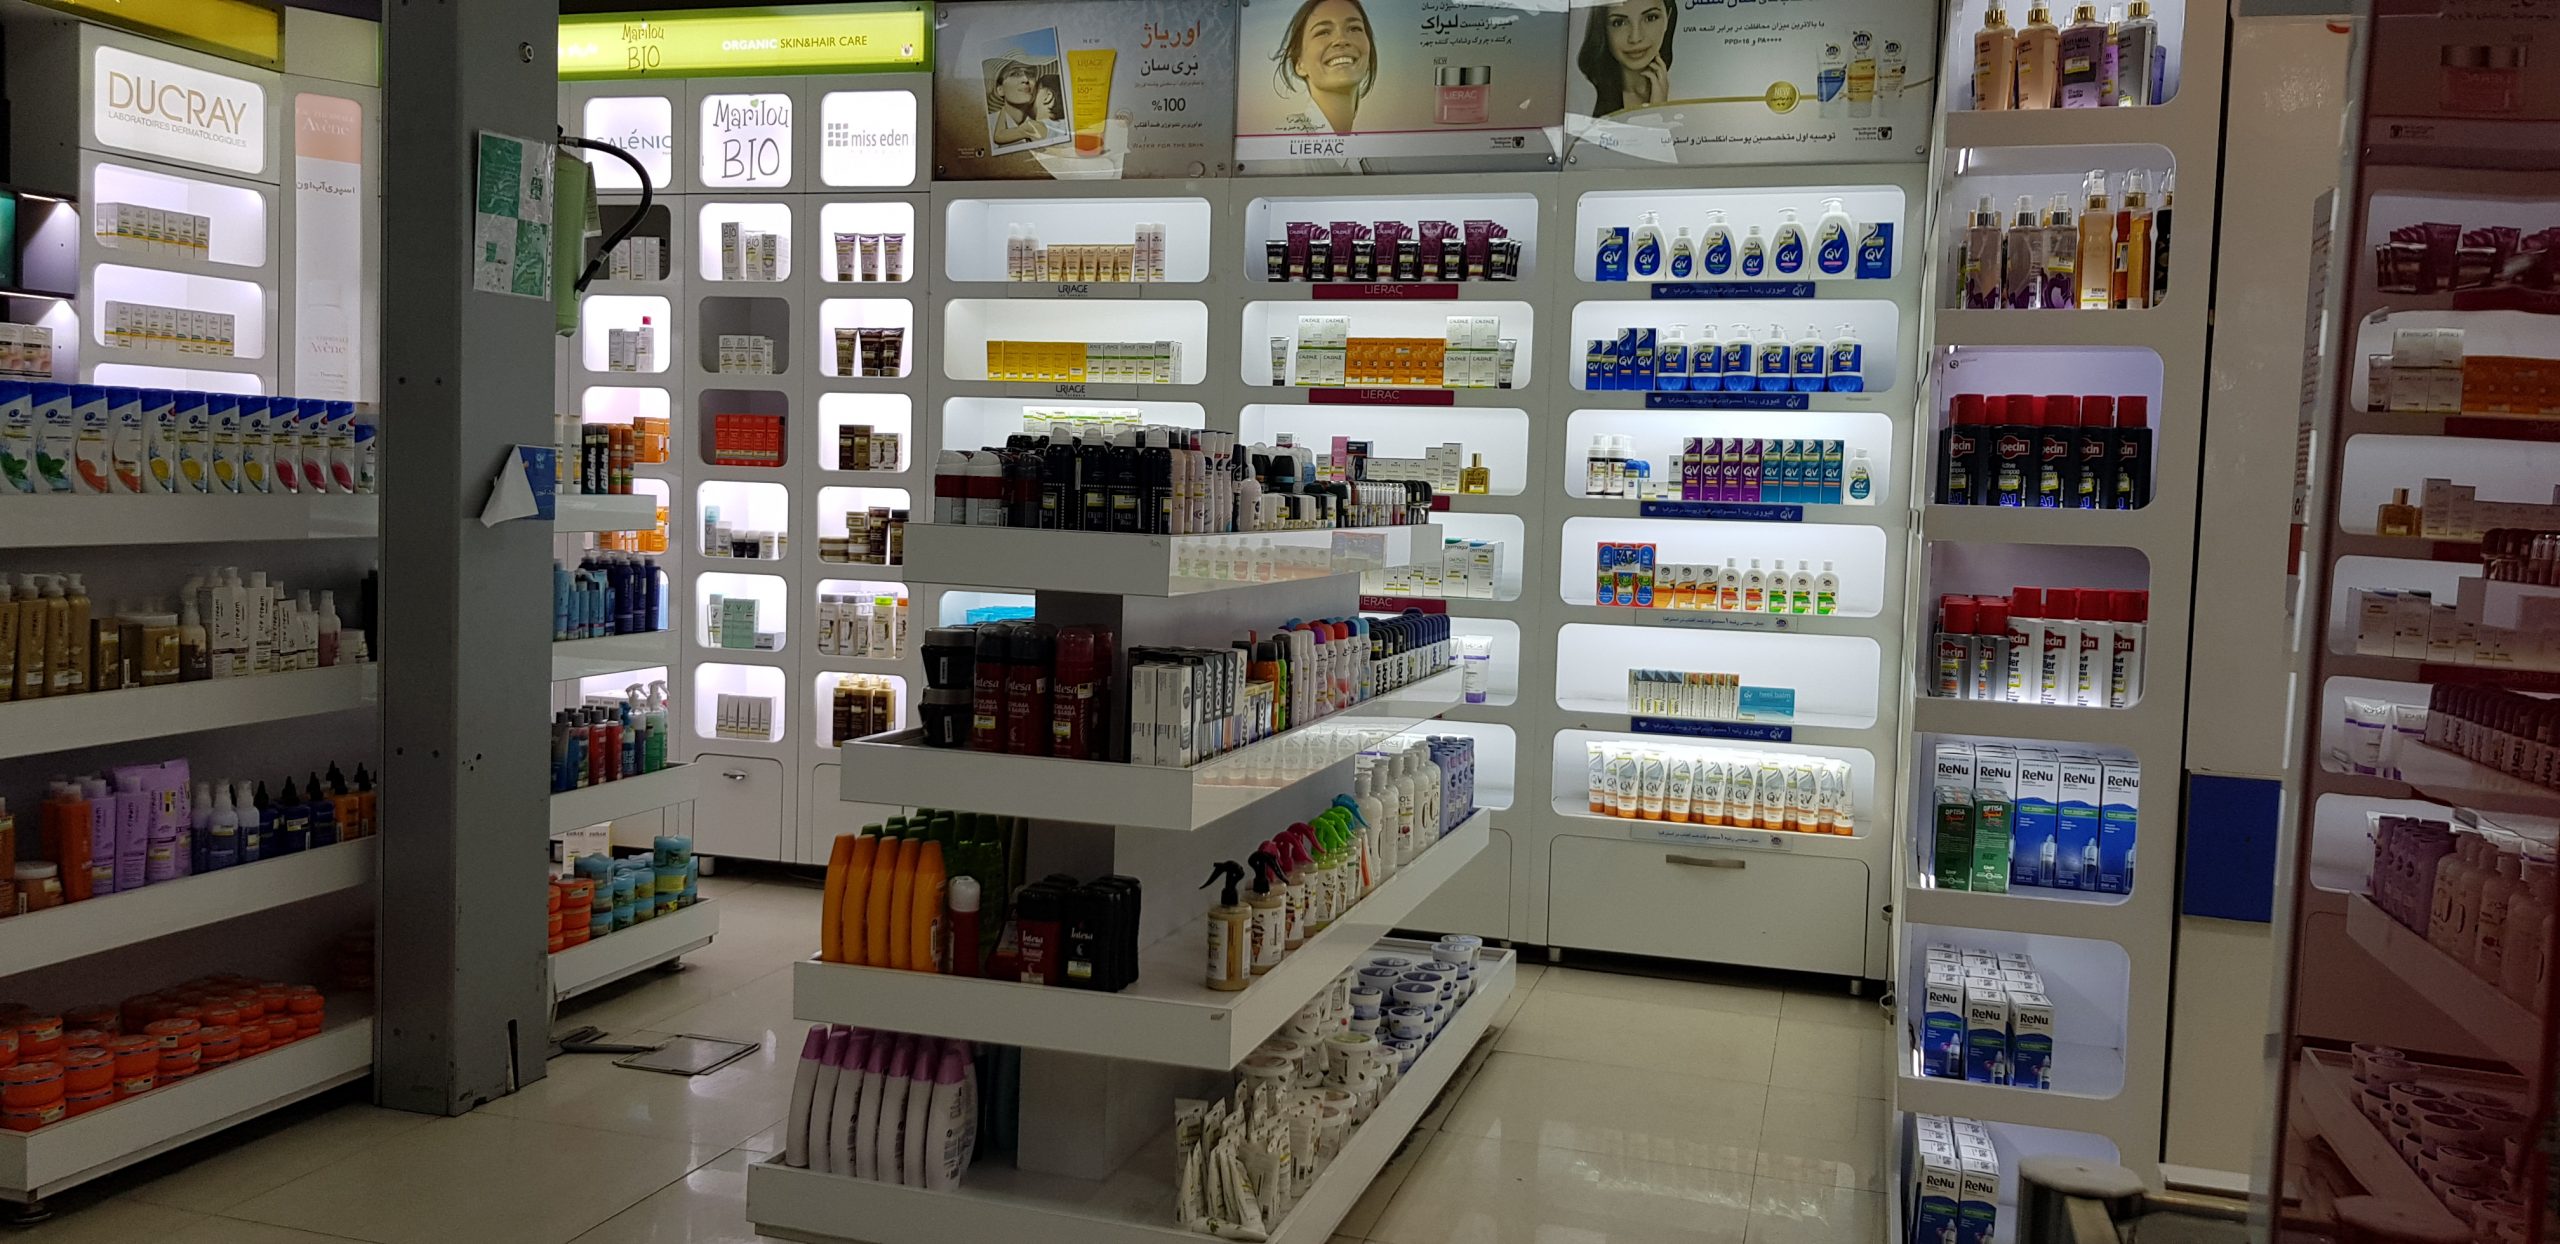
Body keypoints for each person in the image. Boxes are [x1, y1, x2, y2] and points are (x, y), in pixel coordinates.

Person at [1268, 0, 1375, 136]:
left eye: (1354, 28)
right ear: (1299, 64)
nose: (1341, 40)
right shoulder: (1283, 141)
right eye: (1323, 32)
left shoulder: (1370, 145)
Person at [1578, 0, 1676, 117]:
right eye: (1619, 23)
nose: (1635, 38)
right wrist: (1655, 113)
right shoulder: (1584, 100)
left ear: (1668, 18)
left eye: (1650, 18)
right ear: (1602, 28)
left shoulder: (1687, 94)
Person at [985, 59, 1045, 148]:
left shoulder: (1045, 122)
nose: (1026, 79)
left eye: (1030, 74)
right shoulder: (987, 126)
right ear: (1000, 90)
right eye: (1015, 74)